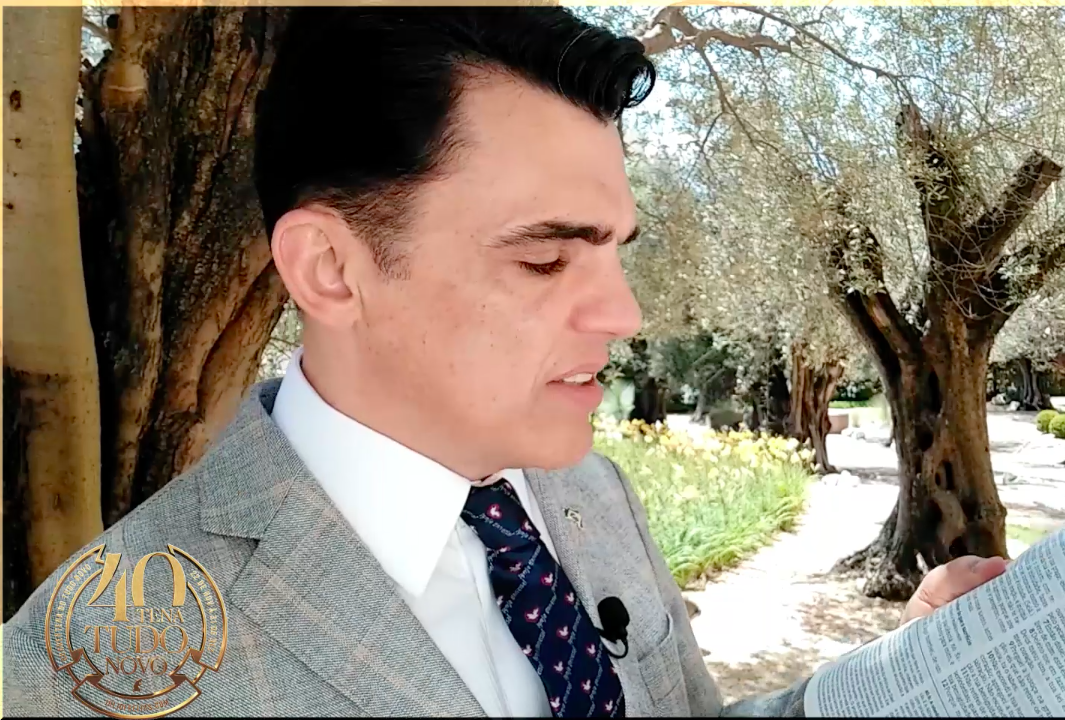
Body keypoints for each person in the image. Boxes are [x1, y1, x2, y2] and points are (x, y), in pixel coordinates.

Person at [1, 7, 1006, 717]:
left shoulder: (586, 492)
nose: (623, 313)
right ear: (331, 270)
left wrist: (903, 679)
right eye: (544, 258)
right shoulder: (83, 672)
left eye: (616, 251)